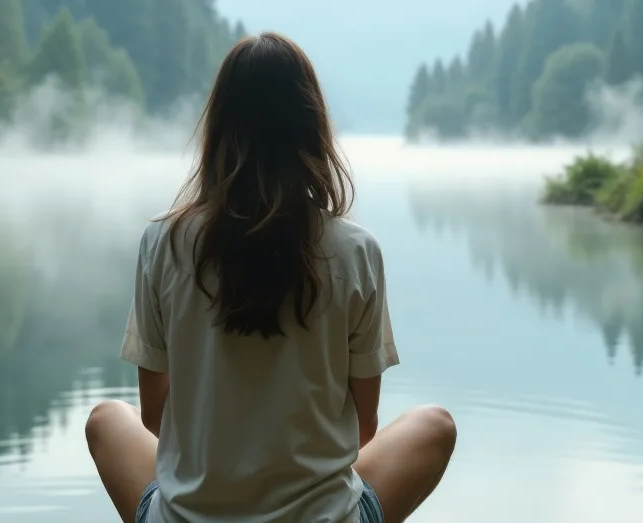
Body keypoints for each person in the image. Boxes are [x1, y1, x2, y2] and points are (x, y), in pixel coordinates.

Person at [85, 32, 457, 523]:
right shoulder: (355, 251)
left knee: (107, 420)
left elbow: (154, 418)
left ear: (219, 127)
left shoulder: (164, 242)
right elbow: (363, 429)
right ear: (310, 128)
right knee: (436, 425)